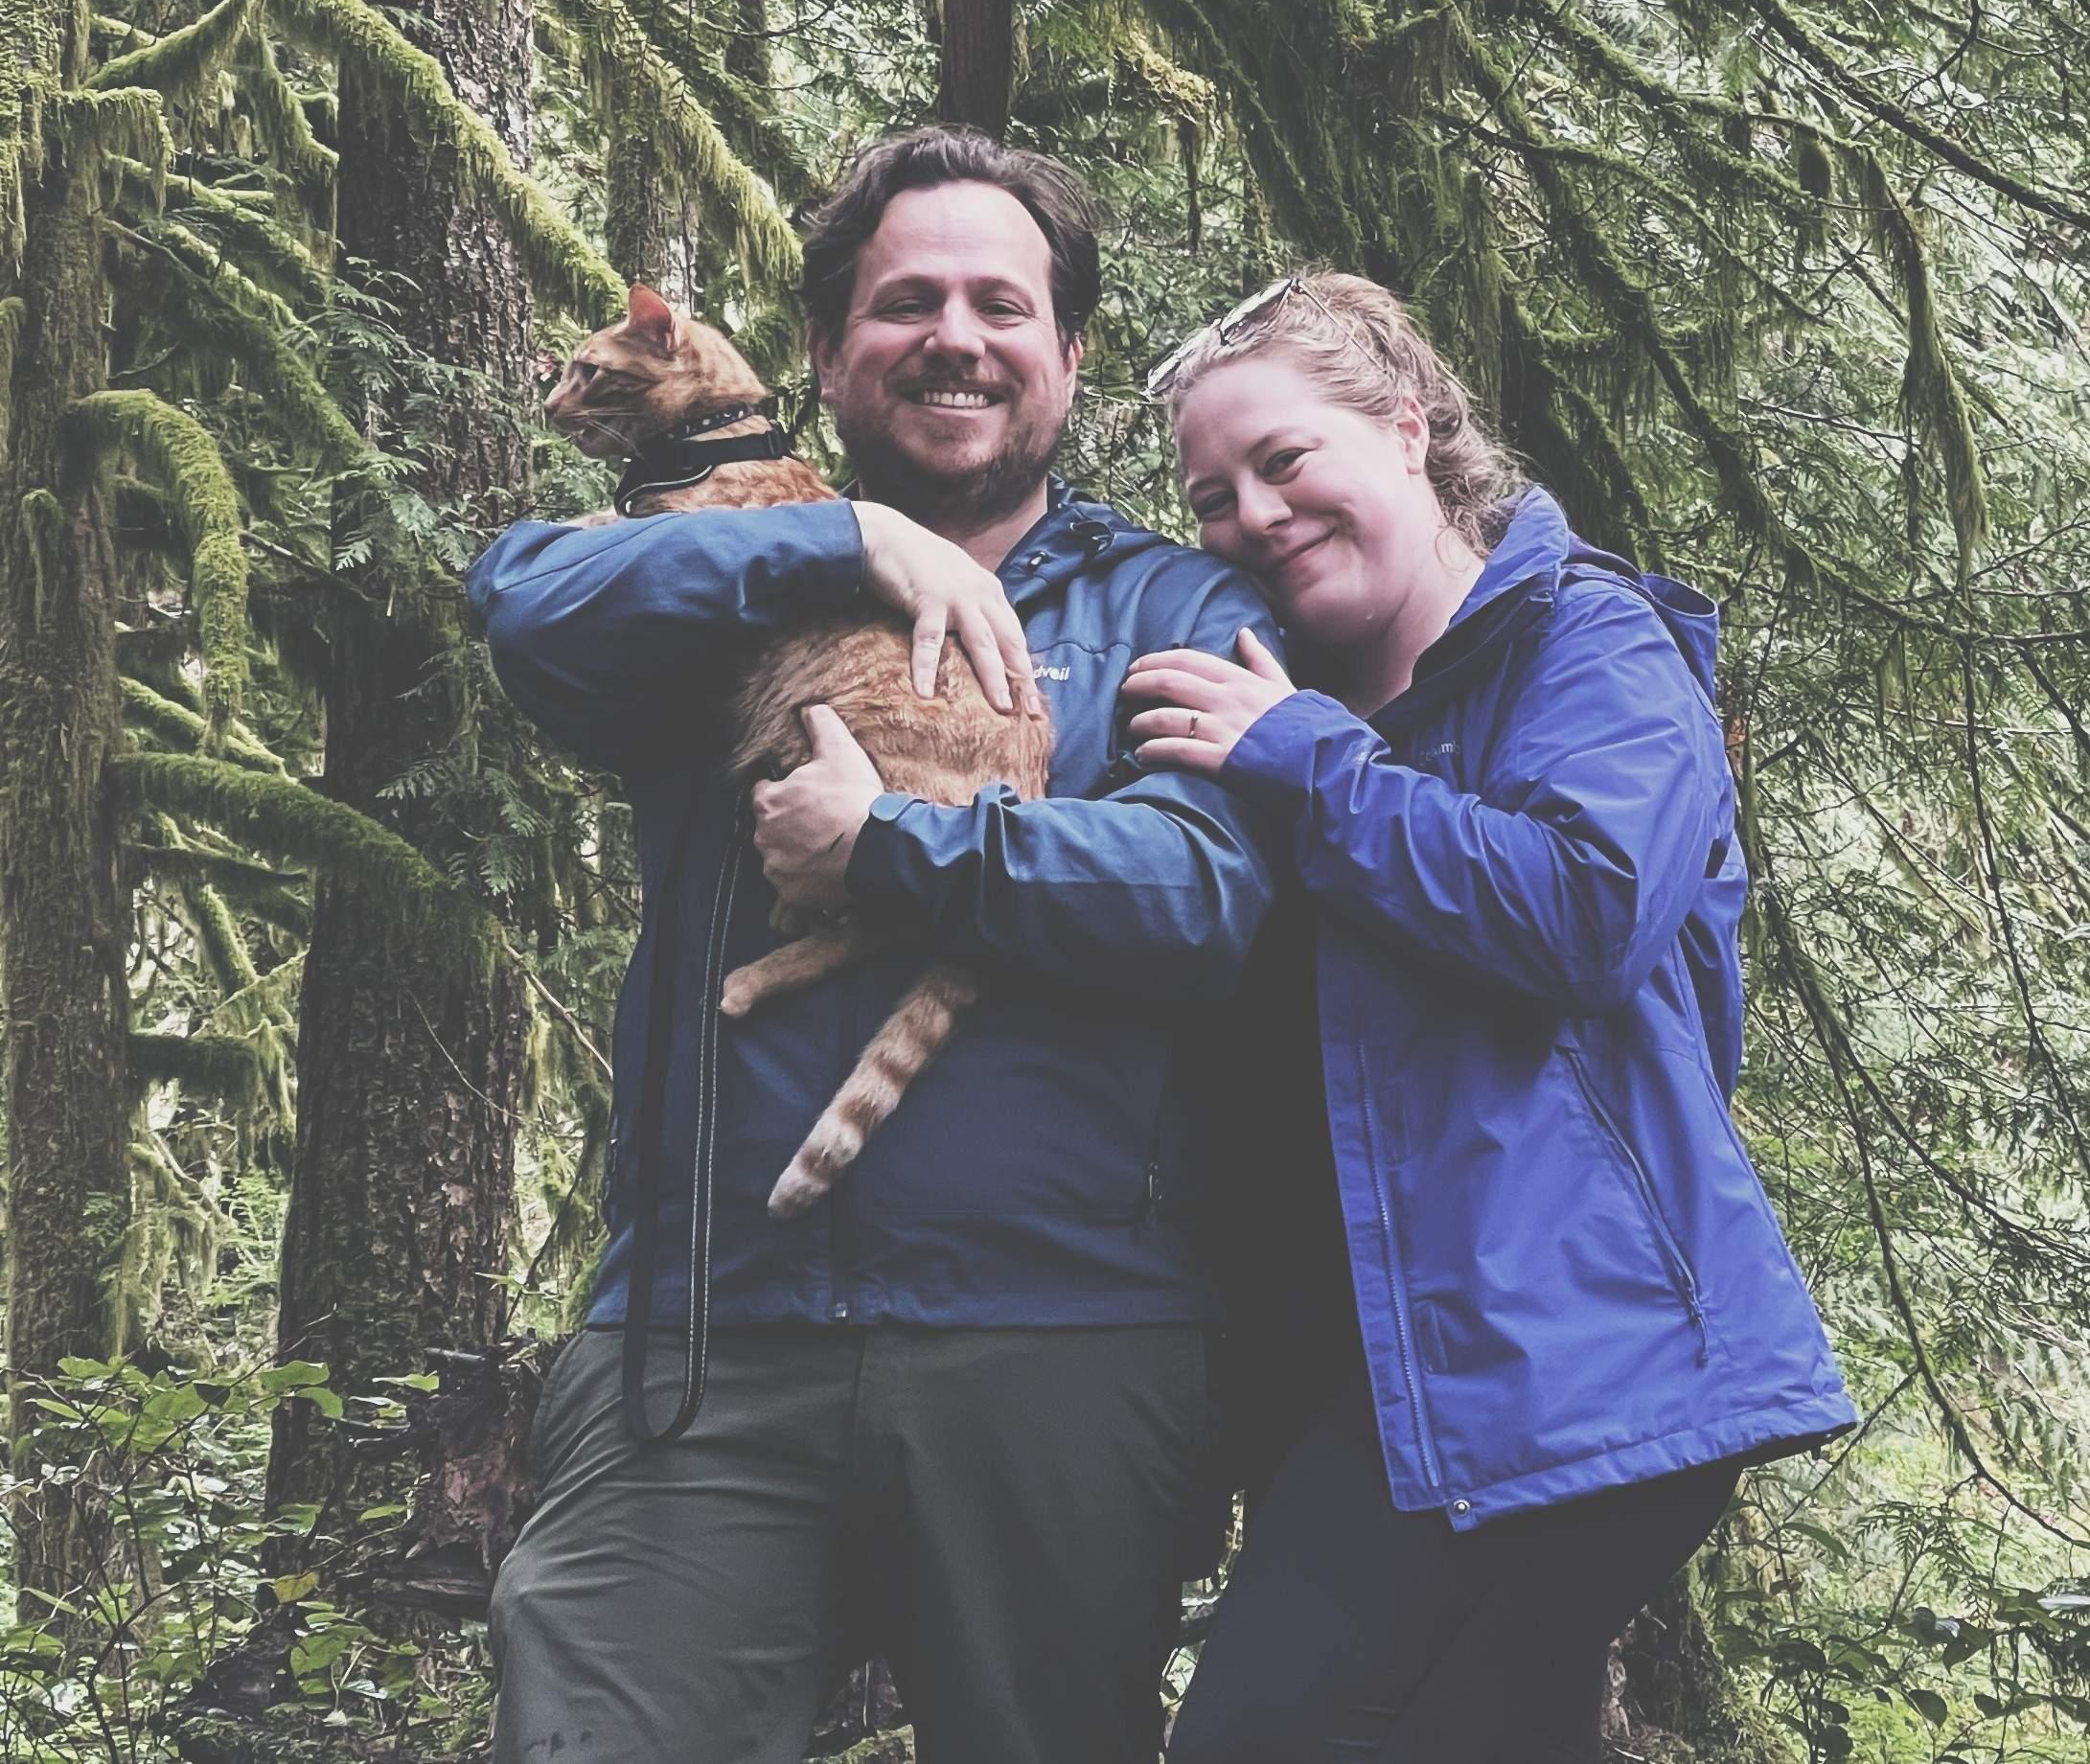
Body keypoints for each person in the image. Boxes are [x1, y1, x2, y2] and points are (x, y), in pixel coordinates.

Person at [470, 126, 1277, 1762]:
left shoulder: (1164, 609)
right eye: (907, 302)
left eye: (1002, 304)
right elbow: (527, 605)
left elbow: (1209, 895)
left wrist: (901, 850)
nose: (955, 337)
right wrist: (839, 542)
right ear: (829, 355)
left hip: (1057, 1338)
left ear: (1070, 356)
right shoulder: (725, 567)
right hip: (709, 1337)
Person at [1126, 273, 1859, 1761]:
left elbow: (1584, 911)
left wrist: (1308, 760)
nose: (1252, 516)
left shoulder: (1587, 643)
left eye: (1284, 459)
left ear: (1409, 429)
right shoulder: (1290, 698)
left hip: (1564, 1364)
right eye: (1212, 498)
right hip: (1372, 1374)